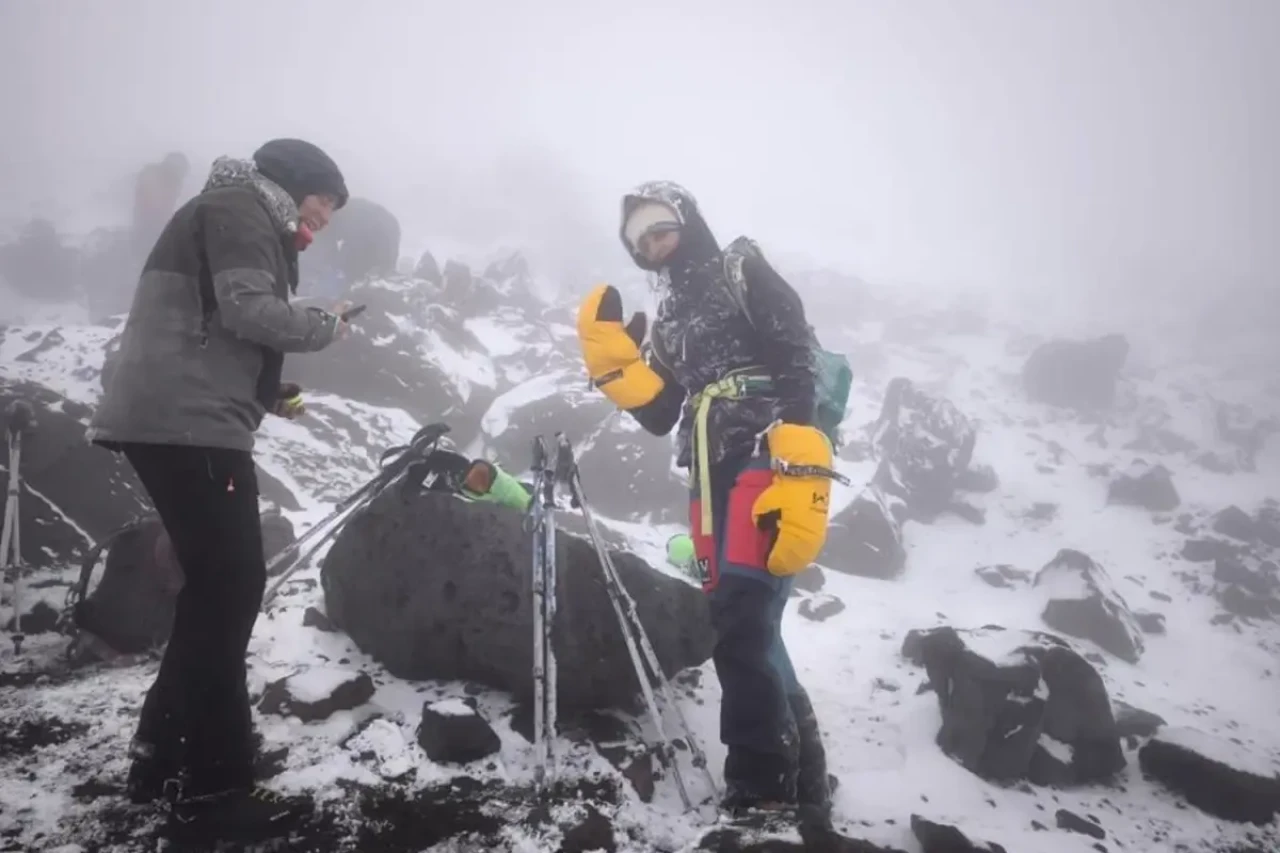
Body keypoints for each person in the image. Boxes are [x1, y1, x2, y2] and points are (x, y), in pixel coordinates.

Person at [85, 138, 351, 841]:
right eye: (325, 201)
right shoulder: (240, 207)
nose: (325, 218)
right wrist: (324, 325)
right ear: (294, 185)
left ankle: (165, 757)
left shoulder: (229, 212)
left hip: (179, 418)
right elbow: (246, 308)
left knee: (216, 590)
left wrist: (268, 390)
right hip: (189, 427)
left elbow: (210, 324)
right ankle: (206, 784)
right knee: (230, 590)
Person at [576, 181, 837, 823]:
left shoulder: (739, 267)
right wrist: (617, 367)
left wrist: (798, 454)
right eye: (638, 240)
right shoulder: (666, 321)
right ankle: (804, 778)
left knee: (743, 619)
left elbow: (795, 351)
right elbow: (664, 412)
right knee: (742, 620)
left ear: (686, 220)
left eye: (659, 227)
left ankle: (762, 788)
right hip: (708, 471)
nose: (652, 244)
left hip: (764, 451)